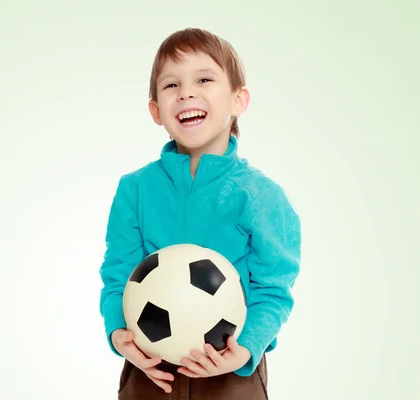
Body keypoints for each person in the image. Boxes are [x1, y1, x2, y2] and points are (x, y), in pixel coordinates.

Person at [99, 27, 302, 399]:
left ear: (238, 100)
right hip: (150, 367)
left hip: (231, 370)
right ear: (156, 110)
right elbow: (117, 277)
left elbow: (274, 289)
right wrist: (118, 333)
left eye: (204, 79)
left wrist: (245, 349)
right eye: (172, 85)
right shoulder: (136, 189)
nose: (187, 93)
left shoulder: (262, 196)